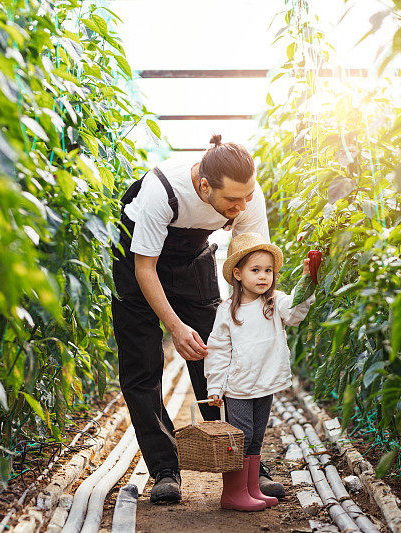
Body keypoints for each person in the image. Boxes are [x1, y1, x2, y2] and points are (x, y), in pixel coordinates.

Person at [111, 135, 285, 503]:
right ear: (204, 187)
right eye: (232, 201)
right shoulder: (162, 190)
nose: (242, 206)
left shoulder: (246, 198)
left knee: (216, 354)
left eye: (247, 196)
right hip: (137, 263)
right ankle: (164, 468)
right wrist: (174, 326)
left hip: (193, 260)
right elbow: (146, 268)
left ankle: (242, 464)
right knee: (141, 366)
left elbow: (254, 262)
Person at [205, 232, 316, 511]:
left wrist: (307, 280)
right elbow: (218, 351)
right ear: (238, 274)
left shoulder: (274, 302)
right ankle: (232, 494)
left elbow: (295, 312)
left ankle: (251, 488)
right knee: (240, 436)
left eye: (268, 270)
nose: (264, 276)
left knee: (256, 435)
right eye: (256, 270)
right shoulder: (228, 310)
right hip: (239, 386)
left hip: (264, 383)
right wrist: (214, 387)